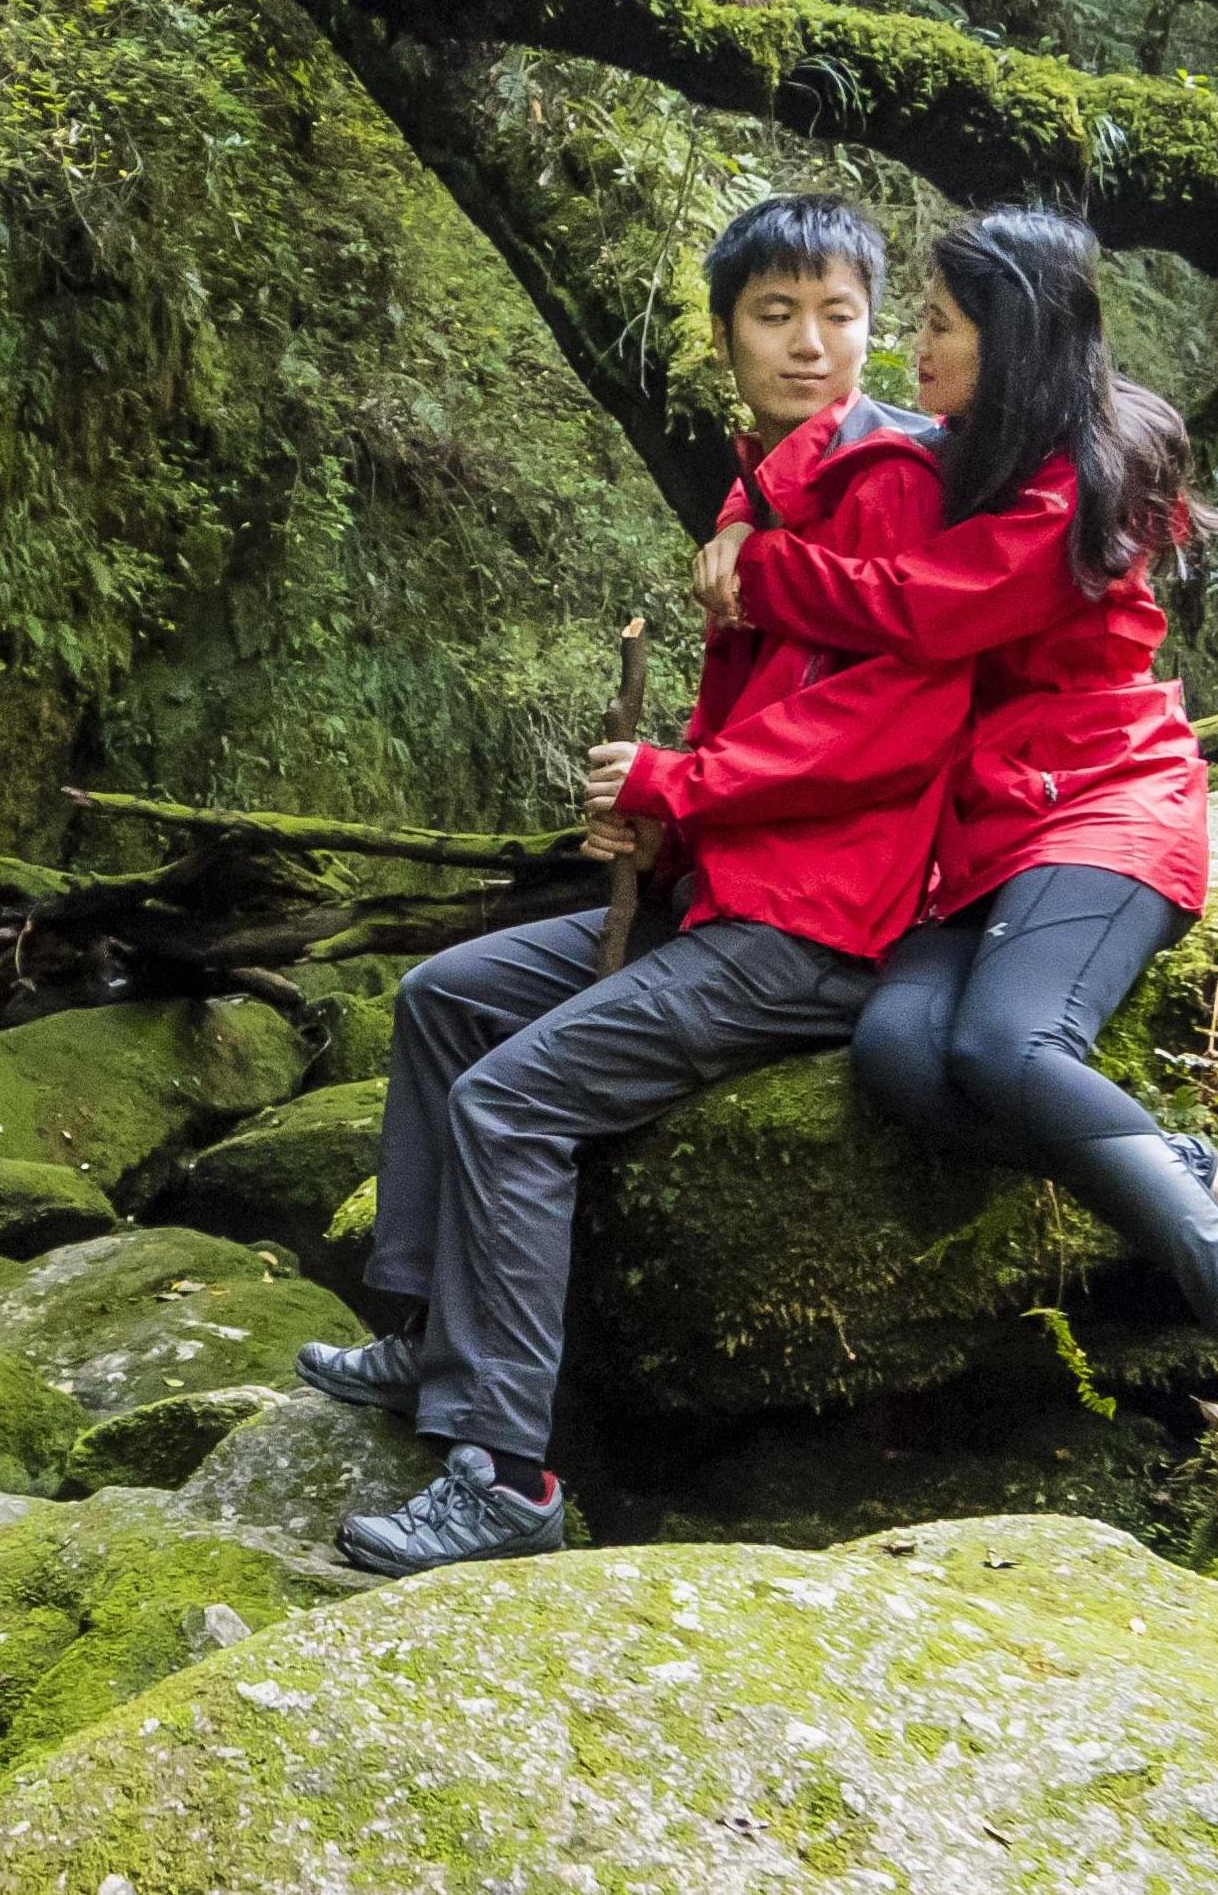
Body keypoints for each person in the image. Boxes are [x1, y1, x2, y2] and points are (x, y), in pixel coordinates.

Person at [689, 204, 1218, 1526]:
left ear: (1008, 342)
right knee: (904, 1058)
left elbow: (921, 610)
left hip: (1102, 809)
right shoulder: (968, 445)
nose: (911, 349)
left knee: (1007, 1052)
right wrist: (742, 521)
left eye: (938, 328)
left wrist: (768, 571)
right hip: (979, 839)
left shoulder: (1076, 476)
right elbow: (835, 460)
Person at [297, 193, 969, 1576]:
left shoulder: (889, 484)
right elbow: (774, 713)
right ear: (724, 335)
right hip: (726, 889)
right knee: (440, 1000)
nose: (808, 344)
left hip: (814, 924)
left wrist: (678, 786)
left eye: (838, 317)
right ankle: (429, 1337)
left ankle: (506, 1471)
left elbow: (889, 723)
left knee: (513, 1102)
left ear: (875, 334)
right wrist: (667, 820)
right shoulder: (768, 487)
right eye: (775, 315)